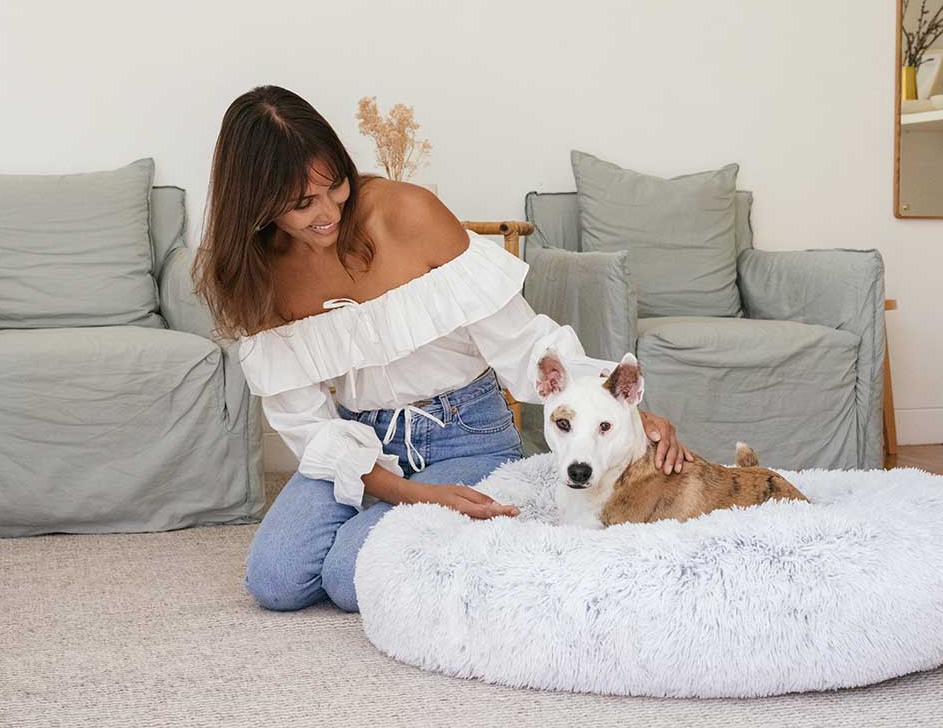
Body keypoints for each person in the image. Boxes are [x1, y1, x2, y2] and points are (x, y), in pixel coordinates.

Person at [194, 85, 692, 612]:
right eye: (301, 204)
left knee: (347, 578)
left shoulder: (408, 213)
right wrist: (406, 493)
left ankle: (423, 534)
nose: (328, 212)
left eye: (335, 187)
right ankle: (421, 531)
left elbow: (524, 345)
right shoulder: (258, 276)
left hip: (464, 434)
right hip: (359, 438)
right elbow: (305, 420)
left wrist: (619, 410)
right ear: (256, 206)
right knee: (274, 581)